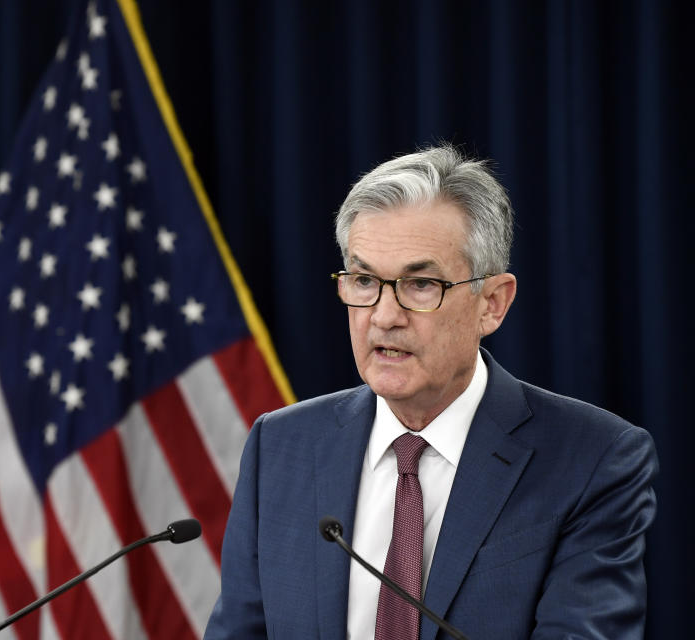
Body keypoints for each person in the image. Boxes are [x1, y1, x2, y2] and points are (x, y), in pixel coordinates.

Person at [204, 145, 658, 639]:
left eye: (420, 284)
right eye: (363, 280)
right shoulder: (282, 446)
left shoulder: (592, 459)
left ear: (492, 303)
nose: (383, 315)